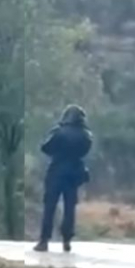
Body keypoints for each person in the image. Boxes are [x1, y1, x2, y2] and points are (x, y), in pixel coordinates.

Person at [34, 105, 93, 253]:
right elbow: (86, 151)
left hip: (57, 170)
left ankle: (44, 241)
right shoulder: (86, 135)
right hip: (74, 172)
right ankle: (67, 240)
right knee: (69, 207)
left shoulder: (59, 132)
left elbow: (45, 148)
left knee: (50, 206)